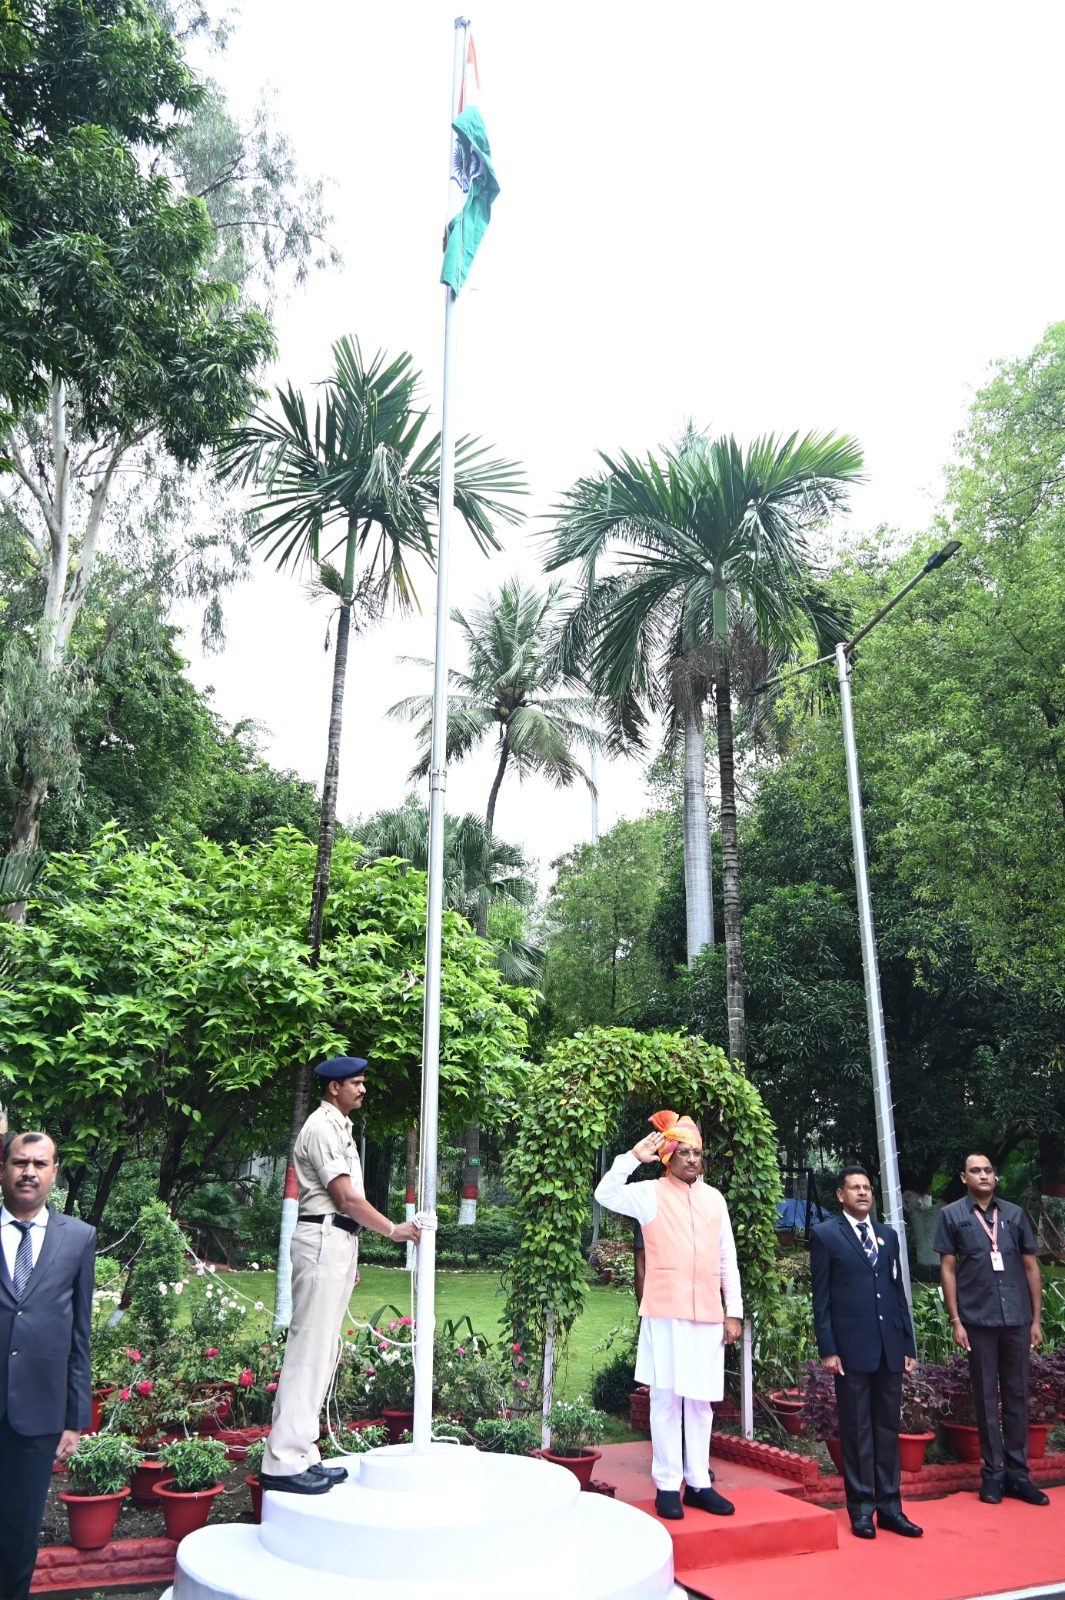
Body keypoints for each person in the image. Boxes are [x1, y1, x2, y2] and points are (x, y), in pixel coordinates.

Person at [261, 1057, 420, 1495]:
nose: (363, 1089)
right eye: (356, 1082)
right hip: (321, 1237)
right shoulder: (321, 1126)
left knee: (324, 1349)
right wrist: (394, 1230)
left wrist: (348, 1260)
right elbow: (345, 1198)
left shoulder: (339, 1126)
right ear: (333, 1087)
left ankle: (302, 1452)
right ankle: (281, 1461)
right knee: (308, 1349)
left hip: (335, 1243)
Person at [595, 1110, 741, 1521]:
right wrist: (633, 1157)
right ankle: (666, 1485)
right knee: (665, 1399)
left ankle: (698, 1483)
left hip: (709, 1316)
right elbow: (604, 1194)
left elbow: (728, 1258)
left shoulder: (715, 1198)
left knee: (700, 1403)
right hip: (665, 1313)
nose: (693, 1159)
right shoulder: (649, 1193)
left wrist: (735, 1312)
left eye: (698, 1152)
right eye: (685, 1152)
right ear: (668, 1156)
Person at [0, 1131, 95, 1600]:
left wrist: (75, 1420)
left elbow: (80, 1335)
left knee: (19, 1533)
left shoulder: (77, 1238)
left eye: (40, 1164)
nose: (29, 1172)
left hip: (38, 1414)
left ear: (54, 1172)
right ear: (3, 1168)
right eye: (20, 1162)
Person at [810, 1165, 922, 1541]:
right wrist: (828, 1348)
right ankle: (860, 1509)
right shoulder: (826, 1235)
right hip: (850, 1350)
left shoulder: (888, 1236)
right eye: (854, 1188)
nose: (862, 1193)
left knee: (888, 1429)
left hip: (889, 1348)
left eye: (867, 1188)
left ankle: (891, 1508)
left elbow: (897, 1293)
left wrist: (907, 1343)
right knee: (857, 1430)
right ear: (840, 1194)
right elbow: (821, 1298)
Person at [934, 1153, 1048, 1506]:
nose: (983, 1175)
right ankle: (993, 1475)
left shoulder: (1013, 1214)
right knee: (985, 1398)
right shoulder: (951, 1215)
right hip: (978, 1320)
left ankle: (1018, 1476)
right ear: (963, 1176)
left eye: (988, 1170)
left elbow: (1031, 1267)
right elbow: (948, 1270)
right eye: (975, 1171)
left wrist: (1036, 1319)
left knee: (1016, 1396)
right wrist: (956, 1320)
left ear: (994, 1176)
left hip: (1015, 1318)